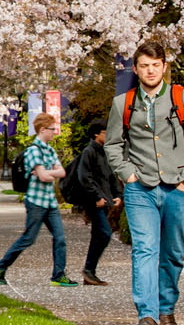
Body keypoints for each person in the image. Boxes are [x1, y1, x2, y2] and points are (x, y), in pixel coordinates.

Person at [104, 41, 184, 325]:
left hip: (177, 187)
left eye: (155, 65)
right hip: (141, 188)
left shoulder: (183, 98)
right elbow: (113, 144)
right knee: (145, 249)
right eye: (144, 66)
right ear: (136, 70)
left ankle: (166, 308)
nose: (150, 71)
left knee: (173, 251)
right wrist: (128, 174)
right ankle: (147, 314)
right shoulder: (123, 103)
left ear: (164, 66)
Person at [0, 113, 77, 287]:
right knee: (29, 238)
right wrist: (48, 173)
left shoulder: (50, 150)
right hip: (36, 201)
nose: (55, 132)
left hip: (50, 202)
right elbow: (44, 176)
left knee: (60, 238)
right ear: (43, 129)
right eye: (52, 129)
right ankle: (1, 265)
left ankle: (58, 275)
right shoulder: (33, 151)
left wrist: (48, 173)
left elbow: (61, 172)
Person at [72, 121, 121, 286]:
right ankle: (88, 269)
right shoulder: (89, 152)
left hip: (104, 200)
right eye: (105, 133)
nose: (107, 136)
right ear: (96, 135)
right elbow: (84, 177)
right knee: (105, 234)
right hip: (94, 202)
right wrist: (97, 197)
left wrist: (118, 194)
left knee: (98, 235)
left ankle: (89, 272)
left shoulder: (104, 152)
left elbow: (111, 175)